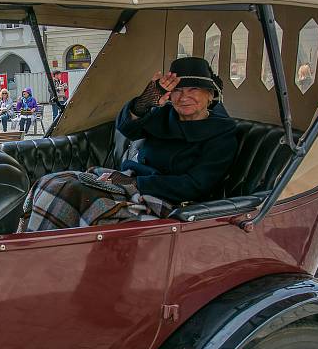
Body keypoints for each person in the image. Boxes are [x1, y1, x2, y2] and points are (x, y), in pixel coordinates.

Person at [21, 57, 238, 232]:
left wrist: (135, 184)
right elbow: (127, 127)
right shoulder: (165, 116)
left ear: (210, 95)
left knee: (78, 194)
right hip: (131, 182)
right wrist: (147, 100)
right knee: (52, 182)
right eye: (178, 91)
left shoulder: (222, 133)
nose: (184, 97)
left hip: (172, 202)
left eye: (193, 90)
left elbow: (195, 185)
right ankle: (33, 246)